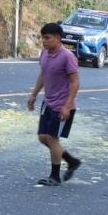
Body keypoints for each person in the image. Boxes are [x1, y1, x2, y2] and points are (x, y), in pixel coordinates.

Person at [27, 22, 82, 186]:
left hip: (63, 106)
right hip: (48, 103)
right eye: (42, 38)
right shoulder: (44, 53)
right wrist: (33, 95)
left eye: (47, 38)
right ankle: (71, 161)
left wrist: (67, 106)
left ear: (58, 38)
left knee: (52, 138)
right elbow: (43, 75)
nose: (43, 41)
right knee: (43, 138)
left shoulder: (67, 56)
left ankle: (55, 176)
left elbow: (75, 83)